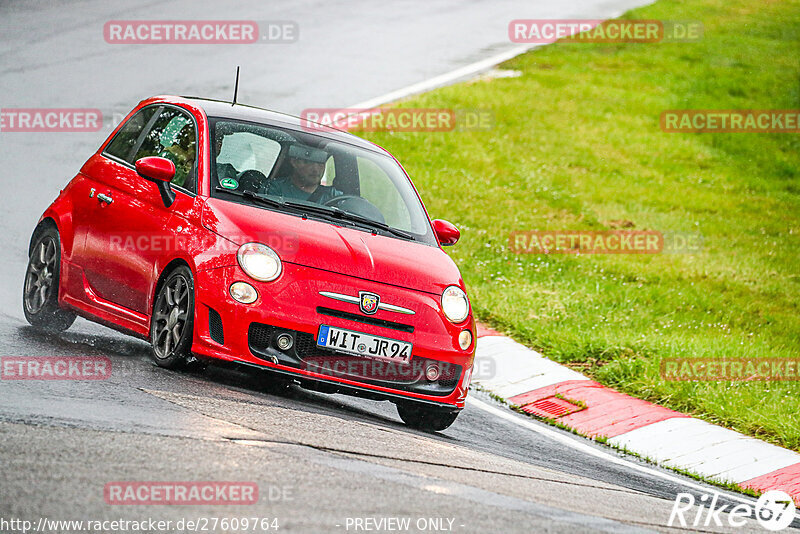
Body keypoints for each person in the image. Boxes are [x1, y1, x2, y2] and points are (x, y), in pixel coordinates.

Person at [267, 144, 342, 203]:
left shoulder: (335, 196)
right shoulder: (274, 189)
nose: (315, 169)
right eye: (308, 162)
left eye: (320, 163)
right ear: (294, 162)